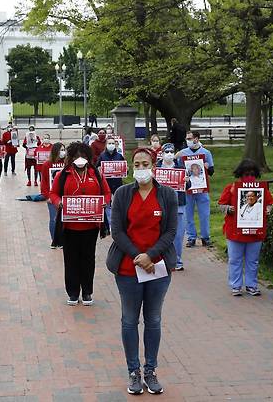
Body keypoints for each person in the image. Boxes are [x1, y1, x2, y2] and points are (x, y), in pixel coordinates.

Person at [107, 147, 178, 395]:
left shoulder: (167, 194)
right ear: (131, 166)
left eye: (145, 163)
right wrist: (139, 256)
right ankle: (133, 372)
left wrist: (151, 255)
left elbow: (170, 231)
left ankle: (151, 370)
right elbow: (116, 231)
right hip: (128, 268)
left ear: (154, 164)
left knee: (153, 319)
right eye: (136, 164)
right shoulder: (122, 194)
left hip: (158, 268)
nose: (140, 168)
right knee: (129, 320)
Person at [49, 142, 111, 306]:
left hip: (90, 226)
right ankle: (73, 292)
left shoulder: (96, 174)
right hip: (69, 226)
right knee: (70, 260)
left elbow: (106, 193)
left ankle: (87, 292)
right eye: (76, 156)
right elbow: (53, 193)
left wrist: (104, 202)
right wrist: (59, 203)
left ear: (89, 158)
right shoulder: (63, 175)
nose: (80, 160)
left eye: (83, 156)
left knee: (88, 259)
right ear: (71, 158)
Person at [218, 159, 273, 296]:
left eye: (252, 173)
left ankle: (251, 285)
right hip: (235, 232)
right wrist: (228, 209)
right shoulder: (231, 188)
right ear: (240, 174)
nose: (249, 176)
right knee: (235, 260)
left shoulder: (262, 189)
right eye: (246, 173)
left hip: (255, 233)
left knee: (252, 261)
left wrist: (268, 209)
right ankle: (236, 285)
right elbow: (221, 204)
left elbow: (270, 203)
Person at [177, 130, 214, 248]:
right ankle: (191, 237)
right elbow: (179, 170)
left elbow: (212, 171)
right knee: (188, 213)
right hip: (188, 189)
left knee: (204, 214)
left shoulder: (206, 153)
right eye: (186, 138)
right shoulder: (183, 153)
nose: (187, 141)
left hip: (202, 188)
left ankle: (205, 237)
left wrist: (207, 168)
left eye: (189, 138)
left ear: (196, 139)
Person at [156, 143, 187, 270]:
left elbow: (187, 187)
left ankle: (177, 261)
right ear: (162, 153)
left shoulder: (180, 167)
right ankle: (161, 259)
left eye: (171, 151)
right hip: (161, 206)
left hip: (178, 205)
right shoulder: (157, 168)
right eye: (166, 151)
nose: (169, 154)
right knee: (160, 234)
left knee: (178, 236)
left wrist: (187, 181)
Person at [39, 142, 66, 246]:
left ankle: (63, 240)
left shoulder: (67, 163)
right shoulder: (47, 164)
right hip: (52, 197)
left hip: (64, 196)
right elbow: (44, 181)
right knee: (54, 219)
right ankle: (54, 240)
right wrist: (47, 196)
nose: (63, 152)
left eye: (64, 149)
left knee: (64, 219)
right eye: (61, 150)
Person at [96, 136, 125, 224]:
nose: (111, 145)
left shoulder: (119, 156)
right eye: (109, 143)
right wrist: (99, 169)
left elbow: (124, 168)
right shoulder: (102, 156)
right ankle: (109, 222)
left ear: (115, 145)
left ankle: (118, 220)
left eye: (113, 143)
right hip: (106, 183)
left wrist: (125, 169)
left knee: (118, 202)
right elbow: (96, 167)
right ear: (106, 145)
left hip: (117, 183)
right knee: (107, 203)